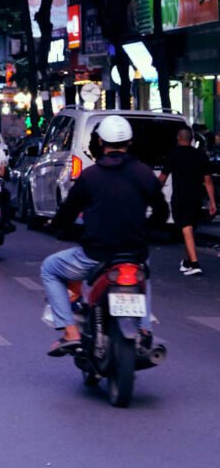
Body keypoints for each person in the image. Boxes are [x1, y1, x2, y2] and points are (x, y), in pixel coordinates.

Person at [40, 114, 168, 356]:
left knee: (49, 268)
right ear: (130, 142)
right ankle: (144, 329)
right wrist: (146, 230)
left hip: (94, 256)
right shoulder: (143, 173)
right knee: (143, 269)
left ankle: (70, 331)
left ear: (100, 141)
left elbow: (67, 213)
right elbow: (162, 211)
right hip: (134, 253)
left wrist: (59, 228)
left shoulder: (90, 176)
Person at [159, 125, 217, 277]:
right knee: (189, 228)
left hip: (180, 197)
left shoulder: (173, 155)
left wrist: (152, 191)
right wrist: (212, 202)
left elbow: (163, 177)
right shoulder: (201, 155)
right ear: (191, 139)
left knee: (185, 227)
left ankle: (195, 264)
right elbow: (208, 180)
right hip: (196, 197)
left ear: (178, 139)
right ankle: (187, 261)